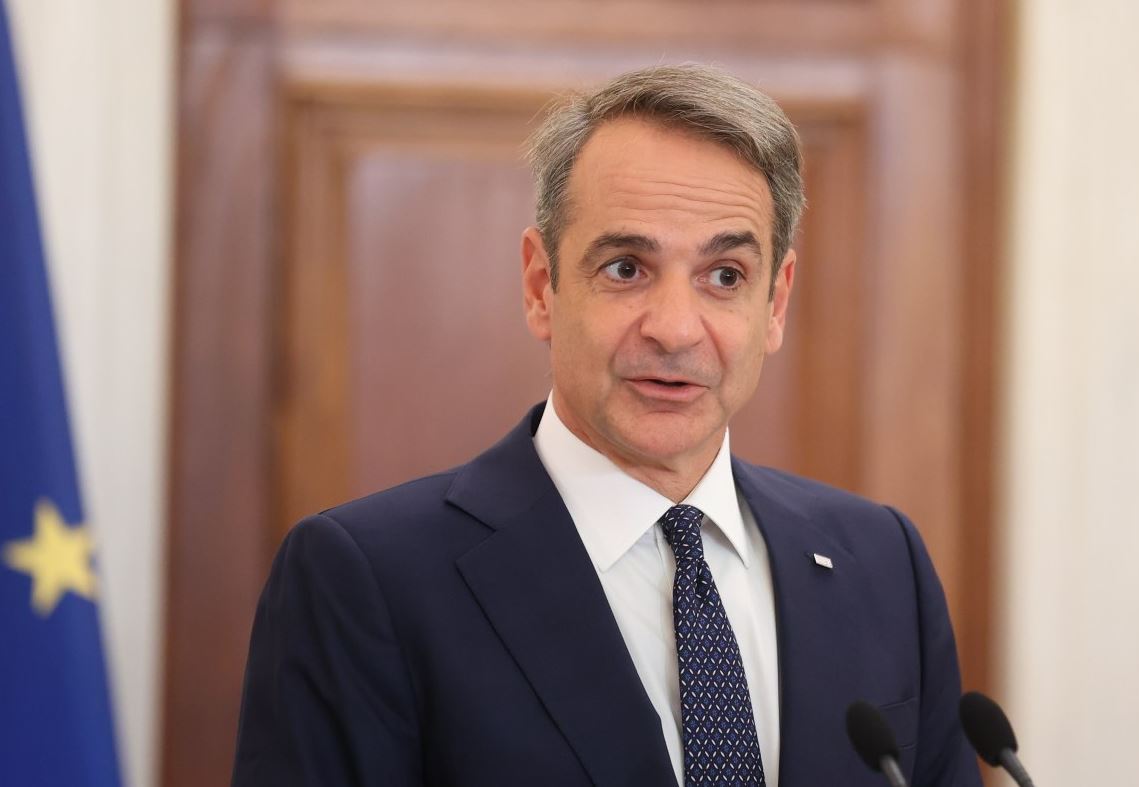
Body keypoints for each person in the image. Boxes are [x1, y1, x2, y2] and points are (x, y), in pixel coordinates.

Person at [231, 64, 980, 787]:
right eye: (626, 267)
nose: (675, 328)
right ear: (541, 286)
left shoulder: (884, 563)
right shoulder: (366, 578)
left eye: (725, 276)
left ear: (775, 303)